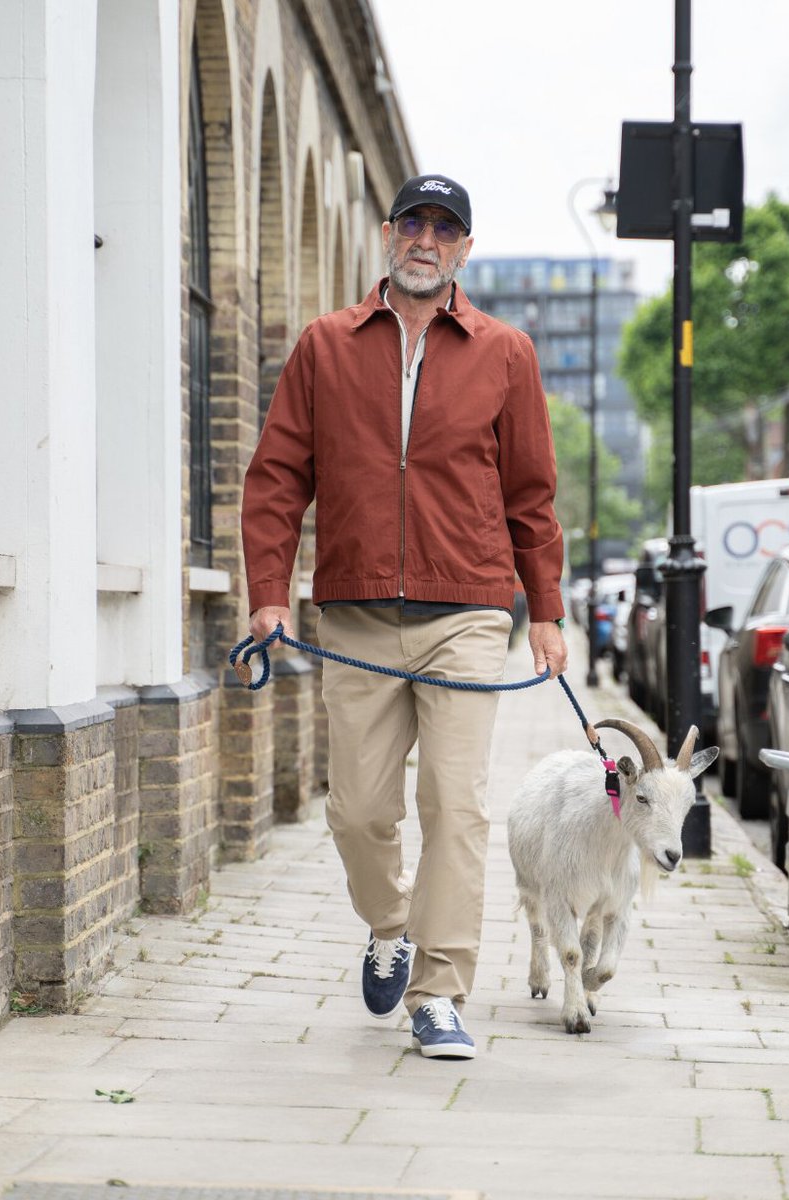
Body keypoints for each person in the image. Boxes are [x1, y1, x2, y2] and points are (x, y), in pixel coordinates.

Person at [241, 173, 567, 1059]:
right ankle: (389, 925)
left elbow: (532, 493)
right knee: (357, 810)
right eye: (413, 223)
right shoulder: (325, 346)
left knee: (455, 807)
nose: (427, 239)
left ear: (464, 250)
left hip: (464, 611)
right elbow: (277, 478)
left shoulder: (506, 353)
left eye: (445, 228)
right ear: (388, 235)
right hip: (353, 615)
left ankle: (438, 992)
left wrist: (546, 610)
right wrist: (269, 594)